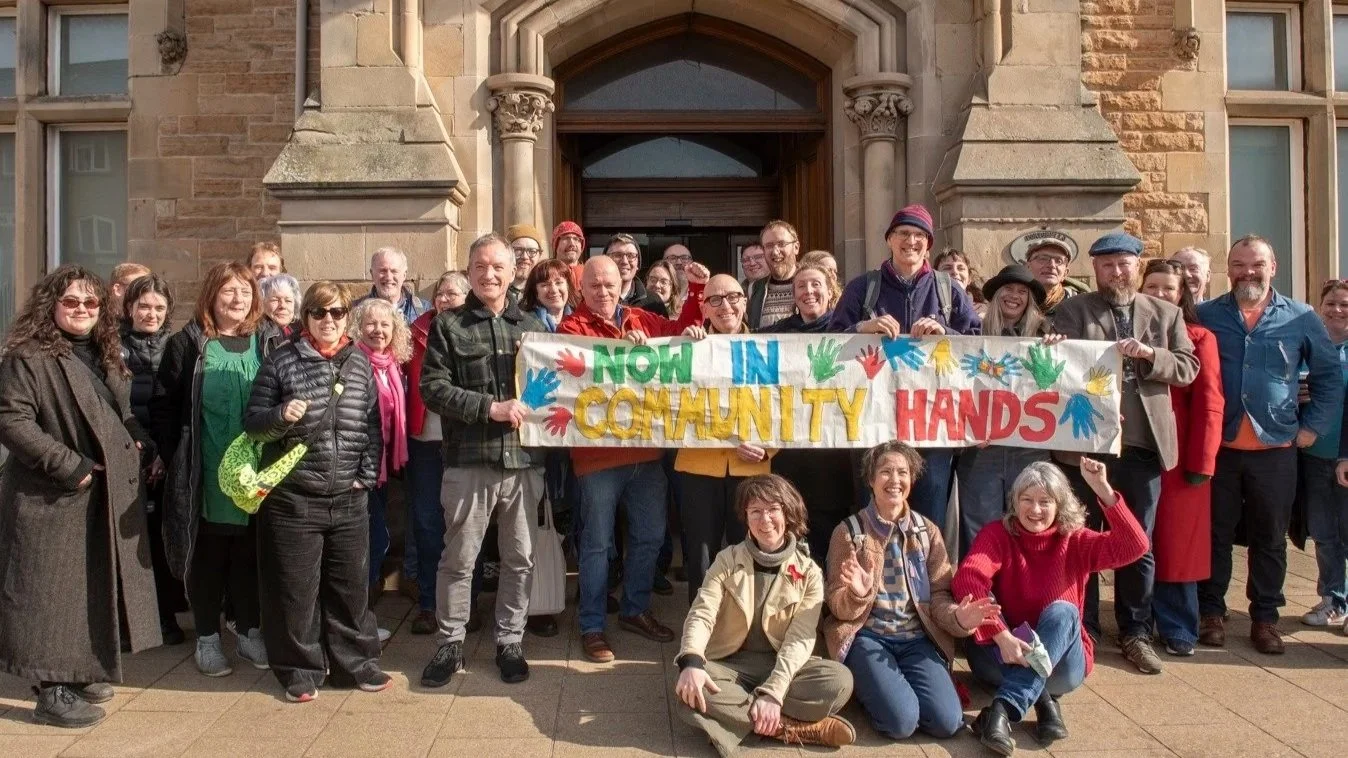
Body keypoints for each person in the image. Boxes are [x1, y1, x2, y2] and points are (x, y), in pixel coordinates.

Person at [0, 265, 159, 728]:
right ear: (51, 305)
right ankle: (51, 690)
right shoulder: (28, 356)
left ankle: (78, 670)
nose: (83, 310)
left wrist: (134, 436)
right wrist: (70, 467)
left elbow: (121, 409)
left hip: (97, 494)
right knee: (46, 594)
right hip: (50, 495)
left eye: (91, 303)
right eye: (72, 302)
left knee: (87, 589)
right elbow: (12, 422)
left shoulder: (103, 351)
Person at [1051, 232, 1197, 674]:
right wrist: (1054, 347)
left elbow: (1188, 368)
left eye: (1124, 263)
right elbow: (1061, 360)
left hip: (1142, 446)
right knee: (1082, 538)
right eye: (1107, 264)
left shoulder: (1166, 313)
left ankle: (1135, 629)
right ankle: (1086, 625)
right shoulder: (1074, 310)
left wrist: (1152, 354)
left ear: (1138, 265)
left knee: (1139, 541)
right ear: (1094, 270)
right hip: (1087, 447)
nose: (1117, 271)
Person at [244, 281, 390, 702]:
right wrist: (279, 415)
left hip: (349, 496)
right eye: (320, 313)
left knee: (350, 589)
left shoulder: (359, 363)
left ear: (348, 317)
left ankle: (355, 664)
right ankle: (298, 669)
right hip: (294, 498)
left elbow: (372, 426)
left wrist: (366, 474)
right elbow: (252, 422)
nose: (329, 320)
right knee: (295, 591)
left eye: (338, 313)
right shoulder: (281, 361)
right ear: (306, 316)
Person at [558, 255, 709, 663]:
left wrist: (694, 304)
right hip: (598, 460)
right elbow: (571, 366)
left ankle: (635, 609)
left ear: (622, 283)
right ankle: (592, 625)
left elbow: (676, 336)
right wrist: (617, 352)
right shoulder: (570, 327)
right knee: (596, 544)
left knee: (650, 535)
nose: (603, 292)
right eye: (594, 286)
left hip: (647, 454)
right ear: (582, 290)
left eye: (609, 284)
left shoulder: (643, 317)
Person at [1197, 236, 1342, 654]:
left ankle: (1265, 619)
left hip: (1276, 449)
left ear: (1273, 266)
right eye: (1238, 265)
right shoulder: (1207, 315)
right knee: (1215, 534)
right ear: (1228, 270)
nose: (1247, 272)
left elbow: (1328, 377)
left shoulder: (1300, 317)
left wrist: (1312, 427)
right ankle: (1211, 613)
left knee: (1270, 539)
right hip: (1219, 447)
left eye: (1256, 264)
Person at [418, 233, 547, 688]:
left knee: (520, 558)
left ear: (513, 273)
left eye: (498, 267)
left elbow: (558, 384)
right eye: (479, 267)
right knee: (460, 558)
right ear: (469, 272)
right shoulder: (449, 325)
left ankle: (510, 641)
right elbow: (431, 387)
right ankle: (450, 642)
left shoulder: (534, 325)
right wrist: (488, 408)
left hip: (523, 463)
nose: (489, 275)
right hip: (469, 460)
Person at [953, 459, 1149, 756]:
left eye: (1045, 502)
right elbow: (968, 578)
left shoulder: (1076, 540)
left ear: (1060, 505)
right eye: (1026, 500)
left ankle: (1003, 708)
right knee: (986, 601)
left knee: (1064, 612)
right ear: (1014, 503)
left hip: (1063, 667)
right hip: (1003, 657)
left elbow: (1135, 545)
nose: (1035, 510)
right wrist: (1001, 635)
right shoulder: (998, 534)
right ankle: (1043, 700)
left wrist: (1103, 490)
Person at [822, 441, 998, 741]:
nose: (894, 480)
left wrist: (960, 618)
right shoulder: (849, 532)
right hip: (868, 638)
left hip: (917, 640)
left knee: (948, 722)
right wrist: (858, 594)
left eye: (902, 472)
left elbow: (940, 596)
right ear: (870, 479)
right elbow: (837, 608)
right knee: (901, 723)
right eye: (885, 471)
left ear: (912, 479)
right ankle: (876, 689)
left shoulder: (927, 530)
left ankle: (894, 687)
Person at [675, 475, 857, 754]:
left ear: (788, 514)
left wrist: (773, 691)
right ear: (745, 518)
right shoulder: (727, 559)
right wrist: (691, 661)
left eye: (773, 509)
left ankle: (736, 720)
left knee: (839, 681)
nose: (765, 519)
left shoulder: (809, 572)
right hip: (730, 664)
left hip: (782, 664)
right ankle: (792, 728)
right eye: (755, 511)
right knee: (690, 686)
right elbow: (702, 613)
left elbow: (800, 639)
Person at [154, 261, 276, 678]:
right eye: (228, 290)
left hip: (258, 470)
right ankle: (207, 637)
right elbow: (165, 407)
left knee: (249, 552)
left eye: (245, 290)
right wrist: (176, 459)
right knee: (207, 555)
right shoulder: (187, 344)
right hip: (204, 467)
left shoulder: (269, 340)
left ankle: (248, 631)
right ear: (211, 295)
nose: (238, 299)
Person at [829, 203, 981, 533]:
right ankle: (875, 581)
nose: (910, 241)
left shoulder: (948, 289)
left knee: (928, 521)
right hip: (873, 422)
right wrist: (861, 329)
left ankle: (928, 584)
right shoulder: (862, 287)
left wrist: (946, 334)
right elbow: (825, 346)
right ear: (889, 240)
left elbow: (977, 346)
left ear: (928, 244)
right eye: (903, 233)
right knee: (874, 515)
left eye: (918, 236)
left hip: (933, 426)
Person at [1137, 260, 1222, 656]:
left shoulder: (1199, 336)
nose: (1159, 294)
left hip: (1178, 458)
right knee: (1140, 542)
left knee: (1177, 547)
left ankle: (1178, 627)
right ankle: (1137, 621)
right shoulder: (1124, 332)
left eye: (1167, 288)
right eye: (1151, 286)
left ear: (1181, 293)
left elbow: (1209, 403)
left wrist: (1202, 463)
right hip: (1136, 451)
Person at [676, 275, 775, 600]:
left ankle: (740, 626)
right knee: (700, 555)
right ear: (703, 308)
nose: (725, 306)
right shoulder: (691, 348)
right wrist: (683, 343)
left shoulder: (768, 349)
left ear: (745, 302)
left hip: (751, 468)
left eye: (732, 297)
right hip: (699, 466)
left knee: (746, 551)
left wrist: (766, 450)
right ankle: (700, 627)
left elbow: (788, 405)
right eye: (714, 300)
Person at [955, 264, 1058, 555]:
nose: (1015, 296)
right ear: (997, 294)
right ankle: (979, 590)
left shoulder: (1046, 333)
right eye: (1009, 289)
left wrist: (1058, 346)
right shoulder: (973, 332)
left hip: (1029, 447)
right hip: (981, 449)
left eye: (1022, 292)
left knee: (1029, 522)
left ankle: (1024, 591)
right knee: (980, 527)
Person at [761, 262, 855, 562]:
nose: (808, 291)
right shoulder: (775, 334)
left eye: (816, 285)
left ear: (830, 291)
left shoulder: (850, 334)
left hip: (833, 454)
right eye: (801, 286)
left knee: (830, 530)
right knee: (792, 524)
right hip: (791, 452)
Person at [120, 273, 186, 645]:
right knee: (129, 541)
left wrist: (163, 454)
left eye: (159, 307)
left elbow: (173, 406)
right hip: (126, 449)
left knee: (161, 539)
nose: (151, 313)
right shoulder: (112, 347)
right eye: (143, 306)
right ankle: (130, 620)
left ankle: (164, 615)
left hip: (163, 453)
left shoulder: (175, 347)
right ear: (129, 307)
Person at [406, 270, 472, 635]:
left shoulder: (474, 331)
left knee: (466, 527)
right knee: (428, 524)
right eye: (441, 293)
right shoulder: (414, 332)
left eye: (453, 293)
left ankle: (466, 603)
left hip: (464, 442)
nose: (445, 299)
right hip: (424, 444)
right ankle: (430, 604)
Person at [349, 297, 412, 643]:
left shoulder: (392, 365)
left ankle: (363, 617)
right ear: (359, 327)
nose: (378, 330)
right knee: (367, 541)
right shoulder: (354, 364)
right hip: (362, 468)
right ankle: (359, 620)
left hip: (385, 466)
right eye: (371, 324)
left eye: (385, 324)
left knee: (376, 539)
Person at [1307, 281, 1348, 631]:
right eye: (1330, 303)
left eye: (1344, 304)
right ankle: (1333, 600)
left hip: (1345, 456)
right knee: (1323, 533)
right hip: (1314, 454)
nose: (1336, 310)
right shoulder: (1313, 345)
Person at [746, 221, 801, 330]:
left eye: (781, 244)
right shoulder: (754, 289)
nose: (775, 252)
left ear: (796, 247)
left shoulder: (812, 286)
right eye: (769, 246)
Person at [357, 246, 431, 324]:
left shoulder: (424, 310)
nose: (389, 277)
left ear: (404, 275)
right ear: (372, 274)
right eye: (383, 271)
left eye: (394, 271)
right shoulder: (356, 310)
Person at [1021, 233, 1088, 318]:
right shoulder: (1014, 302)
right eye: (1043, 259)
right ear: (1028, 267)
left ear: (1065, 273)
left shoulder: (1081, 305)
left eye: (1059, 261)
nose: (1052, 265)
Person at [604, 233, 669, 316]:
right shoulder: (594, 297)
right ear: (605, 260)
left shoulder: (654, 302)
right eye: (617, 255)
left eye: (630, 256)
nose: (624, 261)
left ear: (638, 264)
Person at [522, 258, 578, 331]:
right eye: (545, 285)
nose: (554, 290)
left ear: (568, 286)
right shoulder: (524, 324)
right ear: (535, 292)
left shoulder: (580, 321)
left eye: (558, 283)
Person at [934, 248, 986, 319]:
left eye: (961, 268)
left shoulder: (983, 312)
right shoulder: (928, 308)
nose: (955, 272)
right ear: (935, 277)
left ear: (969, 279)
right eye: (947, 268)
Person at [506, 223, 547, 303]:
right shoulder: (496, 291)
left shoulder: (546, 292)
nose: (525, 257)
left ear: (539, 255)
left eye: (532, 251)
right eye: (518, 250)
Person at [260, 273, 302, 340]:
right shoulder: (258, 334)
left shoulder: (304, 331)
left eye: (288, 301)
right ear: (263, 303)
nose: (282, 305)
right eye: (275, 300)